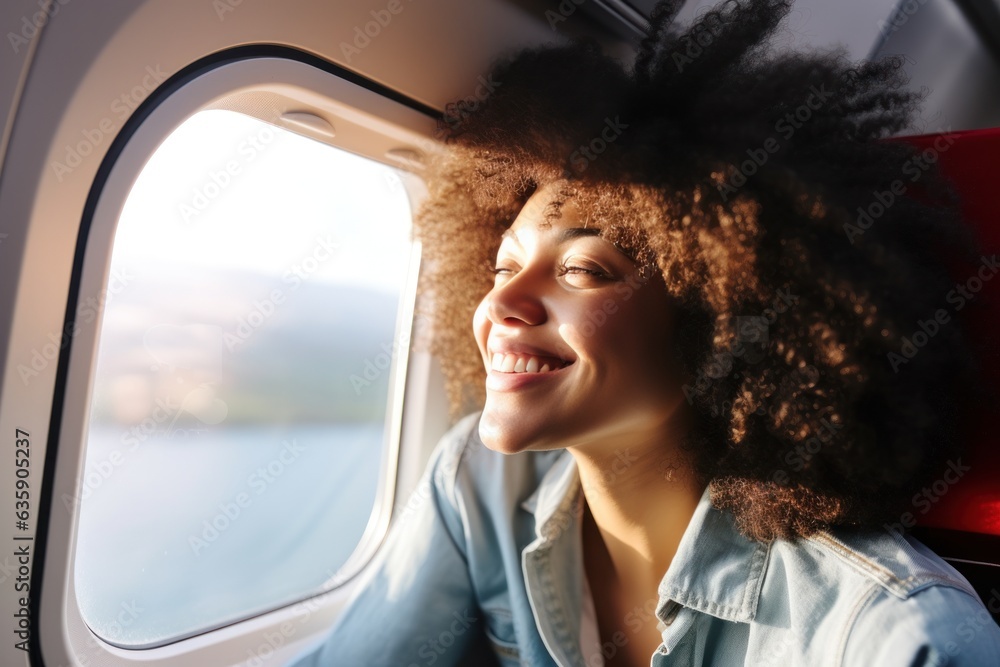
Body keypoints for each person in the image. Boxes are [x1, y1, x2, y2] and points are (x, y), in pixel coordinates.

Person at [292, 0, 1000, 664]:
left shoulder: (892, 637)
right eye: (503, 263)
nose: (503, 299)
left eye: (581, 269)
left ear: (722, 323)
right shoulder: (479, 484)